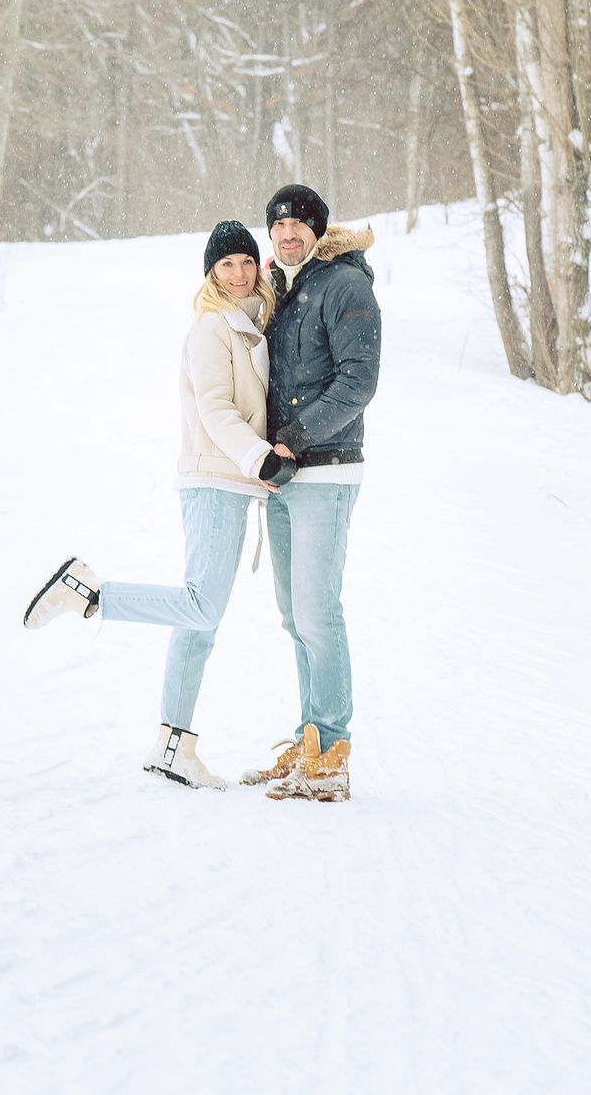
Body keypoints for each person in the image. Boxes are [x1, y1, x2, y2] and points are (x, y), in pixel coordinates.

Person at [20, 220, 276, 791]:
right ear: (210, 273)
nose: (239, 272)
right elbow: (214, 409)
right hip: (216, 480)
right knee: (201, 608)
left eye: (246, 261)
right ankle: (88, 592)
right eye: (226, 264)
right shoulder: (212, 329)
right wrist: (261, 458)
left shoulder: (250, 325)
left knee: (196, 623)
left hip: (231, 482)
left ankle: (172, 748)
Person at [232, 182, 379, 804]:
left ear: (319, 230)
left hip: (327, 469)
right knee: (297, 618)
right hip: (287, 475)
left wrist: (296, 435)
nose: (288, 235)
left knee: (320, 613)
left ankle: (334, 750)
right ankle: (308, 740)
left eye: (299, 226)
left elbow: (358, 381)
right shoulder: (283, 288)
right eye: (279, 227)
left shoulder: (345, 285)